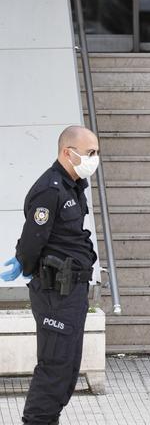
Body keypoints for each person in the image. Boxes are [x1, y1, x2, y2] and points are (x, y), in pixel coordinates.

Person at [1, 125, 100, 425]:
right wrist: (24, 262)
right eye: (90, 153)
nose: (94, 159)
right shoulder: (50, 189)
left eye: (96, 153)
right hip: (56, 292)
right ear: (67, 153)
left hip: (73, 292)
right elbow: (34, 238)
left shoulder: (73, 186)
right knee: (55, 366)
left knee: (68, 369)